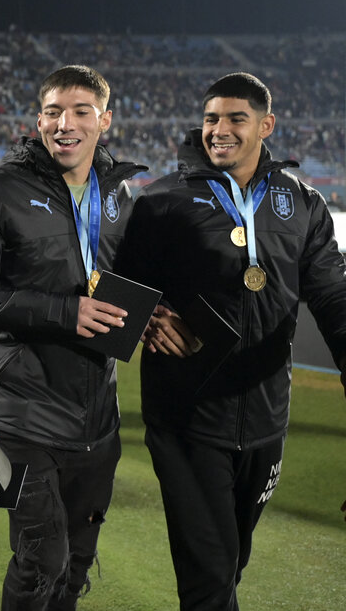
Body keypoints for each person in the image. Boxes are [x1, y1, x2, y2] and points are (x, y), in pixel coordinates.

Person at [112, 72, 346, 610]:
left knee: (230, 565)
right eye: (211, 118)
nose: (219, 129)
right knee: (210, 578)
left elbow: (331, 293)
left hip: (266, 419)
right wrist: (145, 318)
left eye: (235, 119)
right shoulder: (162, 203)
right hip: (187, 421)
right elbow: (118, 298)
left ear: (266, 125)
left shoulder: (302, 202)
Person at [0, 65, 145, 610]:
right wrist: (63, 313)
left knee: (78, 563)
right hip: (23, 411)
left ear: (104, 121)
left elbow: (127, 279)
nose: (65, 124)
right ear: (37, 119)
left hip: (96, 414)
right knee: (42, 558)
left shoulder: (119, 192)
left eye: (81, 112)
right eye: (53, 112)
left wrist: (152, 313)